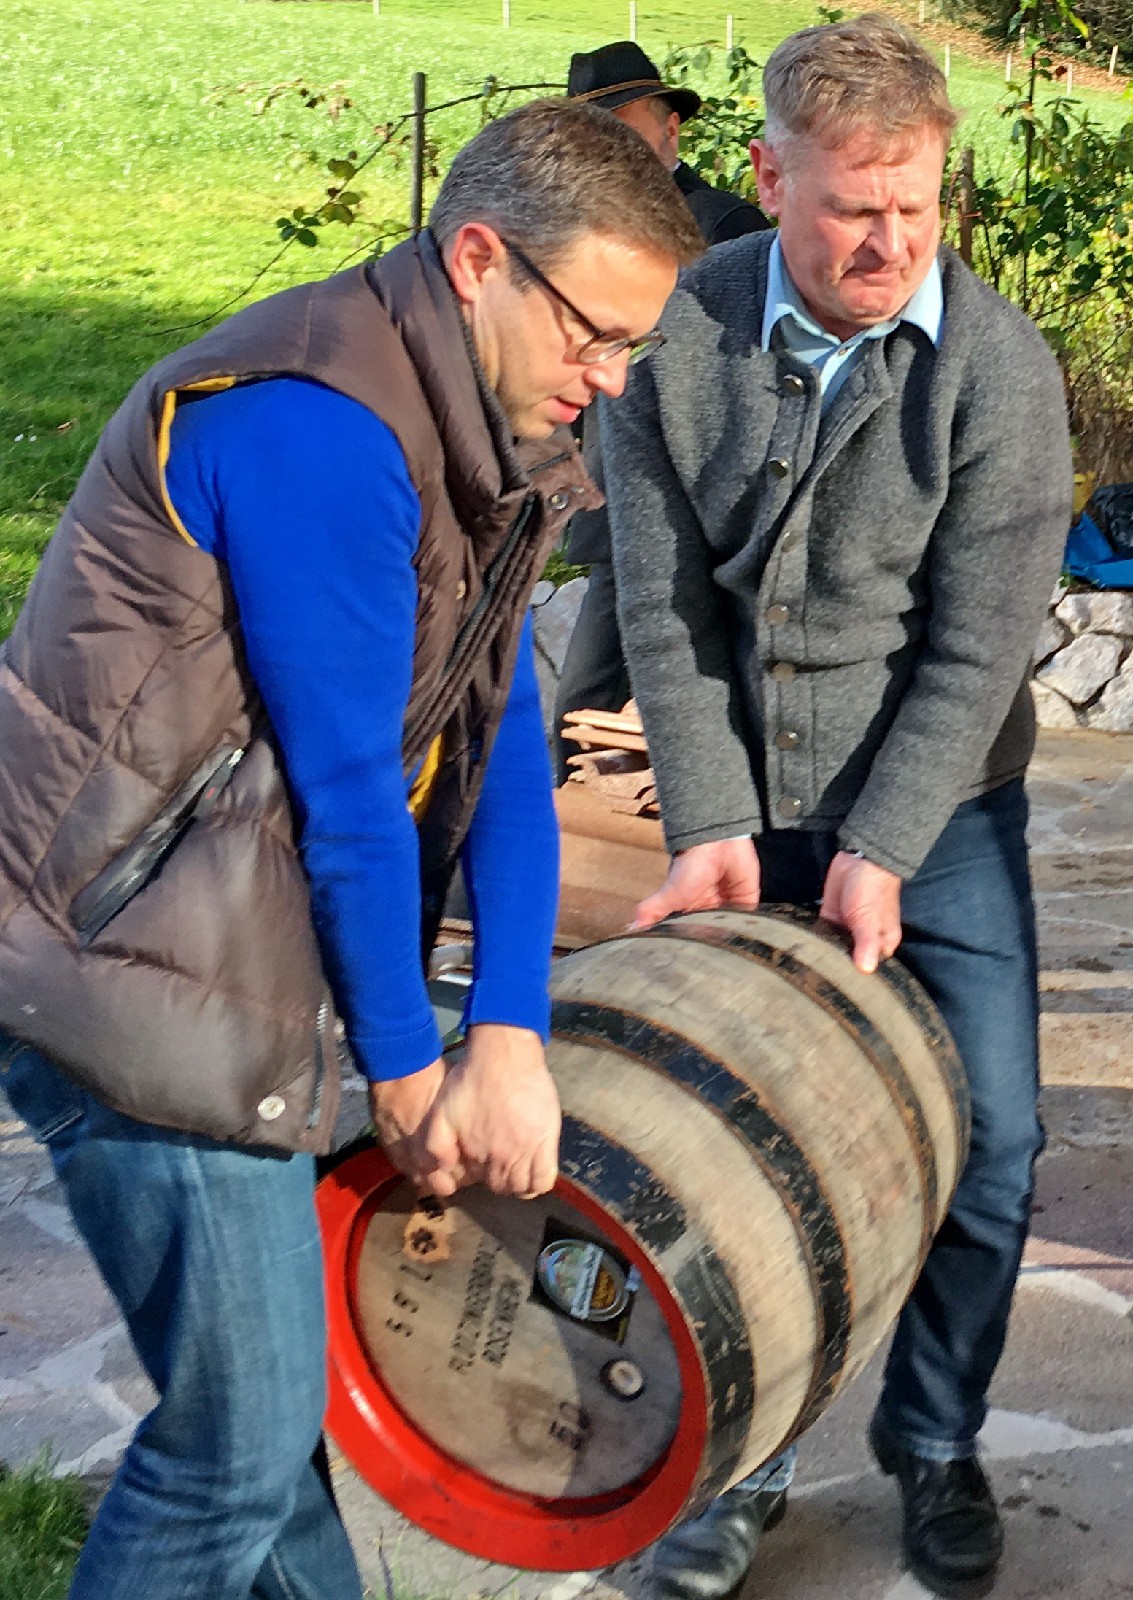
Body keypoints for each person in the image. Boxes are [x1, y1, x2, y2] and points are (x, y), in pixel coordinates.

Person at [0, 99, 703, 1600]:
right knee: (232, 1454)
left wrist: (507, 1025)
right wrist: (403, 1067)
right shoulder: (318, 428)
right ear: (478, 260)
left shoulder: (483, 426)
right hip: (123, 965)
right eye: (593, 334)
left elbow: (500, 739)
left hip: (234, 941)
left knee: (268, 1440)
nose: (609, 378)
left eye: (631, 349)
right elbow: (352, 802)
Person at [599, 16, 1072, 1600]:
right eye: (850, 209)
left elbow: (978, 649)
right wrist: (709, 822)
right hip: (745, 801)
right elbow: (662, 608)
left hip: (943, 812)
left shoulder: (998, 371)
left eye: (915, 208)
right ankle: (744, 1462)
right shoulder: (674, 334)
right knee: (737, 1155)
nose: (889, 244)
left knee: (993, 1143)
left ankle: (932, 1438)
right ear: (766, 176)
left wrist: (879, 849)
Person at [552, 41, 771, 784]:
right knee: (585, 704)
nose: (606, 142)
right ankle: (567, 825)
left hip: (715, 508)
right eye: (592, 128)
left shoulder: (726, 227)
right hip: (619, 500)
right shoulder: (570, 234)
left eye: (623, 121)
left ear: (670, 127)